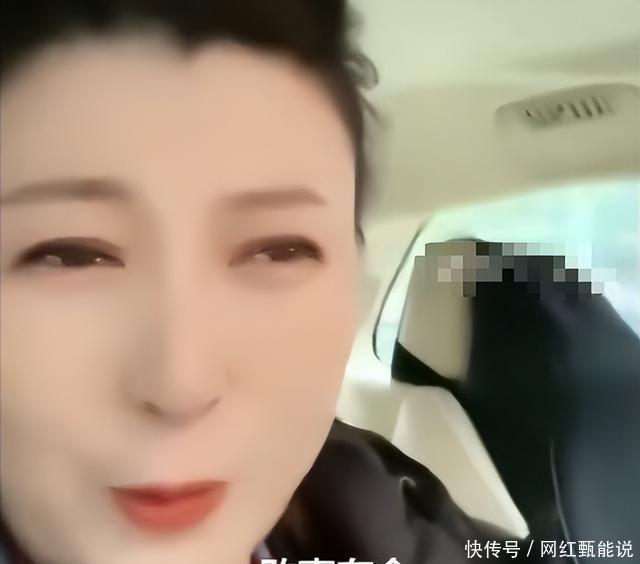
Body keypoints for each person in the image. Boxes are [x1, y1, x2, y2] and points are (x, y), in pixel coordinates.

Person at [0, 2, 532, 563]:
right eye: (70, 255)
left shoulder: (382, 515)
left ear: (356, 295)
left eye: (278, 251)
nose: (181, 385)